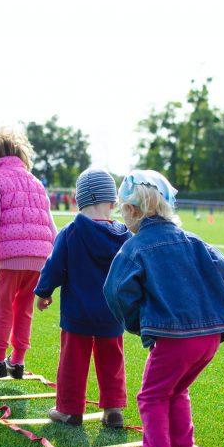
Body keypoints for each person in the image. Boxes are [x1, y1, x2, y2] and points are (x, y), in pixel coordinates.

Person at [104, 170, 224, 447]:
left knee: (151, 396)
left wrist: (138, 324)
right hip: (209, 339)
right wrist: (215, 310)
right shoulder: (194, 241)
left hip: (175, 340)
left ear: (131, 210)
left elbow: (115, 291)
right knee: (177, 391)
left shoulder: (135, 247)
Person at [34, 168, 131, 428]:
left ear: (78, 200)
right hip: (112, 312)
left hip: (77, 312)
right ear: (112, 202)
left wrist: (44, 292)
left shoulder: (70, 232)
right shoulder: (125, 235)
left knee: (72, 362)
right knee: (112, 360)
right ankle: (113, 409)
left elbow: (54, 266)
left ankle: (69, 409)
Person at [0, 127, 57, 378]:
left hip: (11, 256)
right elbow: (49, 223)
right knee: (24, 308)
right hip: (40, 257)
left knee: (2, 307)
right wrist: (57, 261)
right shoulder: (36, 182)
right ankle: (17, 361)